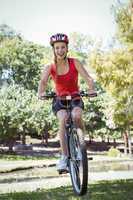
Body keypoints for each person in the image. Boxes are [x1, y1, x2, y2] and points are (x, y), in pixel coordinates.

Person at [38, 33, 96, 171]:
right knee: (63, 118)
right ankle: (64, 157)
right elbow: (43, 81)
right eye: (57, 48)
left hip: (75, 98)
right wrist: (41, 92)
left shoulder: (74, 62)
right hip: (59, 101)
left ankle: (81, 146)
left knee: (76, 115)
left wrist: (91, 89)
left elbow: (88, 78)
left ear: (67, 48)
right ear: (53, 49)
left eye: (62, 47)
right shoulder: (50, 66)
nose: (60, 50)